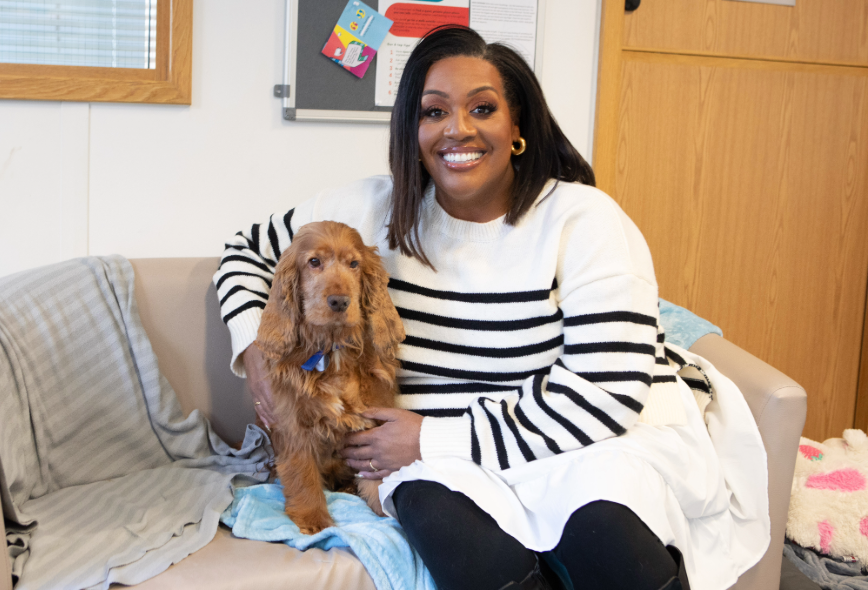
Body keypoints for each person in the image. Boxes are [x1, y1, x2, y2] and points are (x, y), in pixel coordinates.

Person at [214, 26, 768, 590]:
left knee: (607, 540)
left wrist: (432, 437)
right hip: (433, 465)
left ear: (517, 124)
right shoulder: (369, 209)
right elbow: (243, 251)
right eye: (434, 112)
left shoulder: (583, 219)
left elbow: (607, 395)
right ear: (413, 128)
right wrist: (258, 355)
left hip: (577, 445)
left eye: (482, 108)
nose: (458, 129)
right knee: (467, 552)